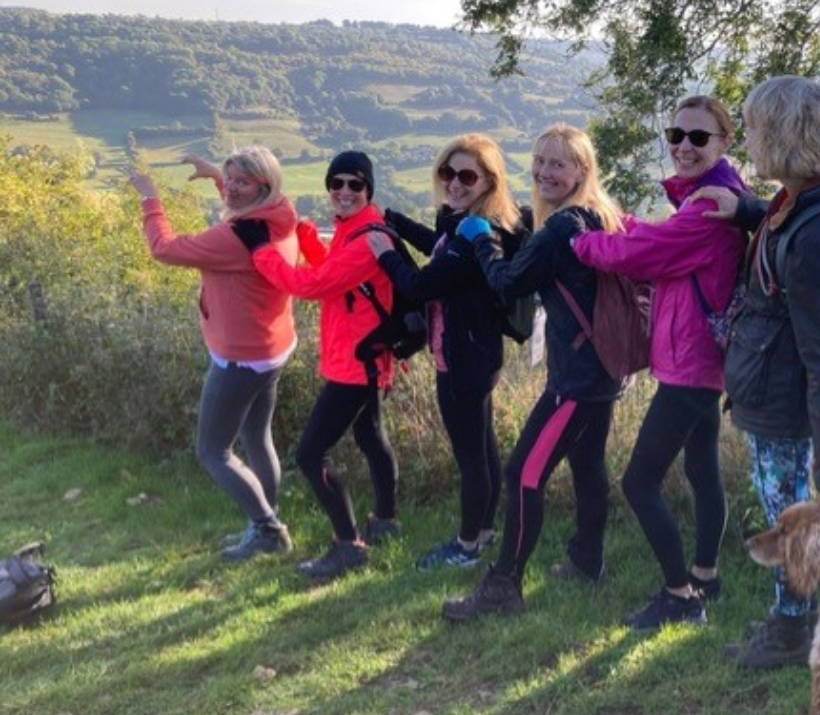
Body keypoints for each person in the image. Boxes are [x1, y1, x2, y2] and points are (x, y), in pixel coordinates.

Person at [693, 76, 820, 667]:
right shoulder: (814, 195)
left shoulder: (817, 232)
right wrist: (744, 210)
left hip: (787, 401)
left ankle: (794, 632)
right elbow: (787, 228)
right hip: (778, 386)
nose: (749, 140)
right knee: (787, 513)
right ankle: (806, 624)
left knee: (787, 516)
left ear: (783, 134)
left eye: (757, 127)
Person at [571, 96, 749, 629]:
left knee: (639, 482)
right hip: (699, 357)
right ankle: (707, 575)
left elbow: (642, 255)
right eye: (676, 135)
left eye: (698, 137)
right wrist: (620, 220)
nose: (683, 146)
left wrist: (580, 241)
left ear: (724, 142)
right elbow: (660, 244)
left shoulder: (710, 207)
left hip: (690, 363)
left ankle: (680, 595)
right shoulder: (708, 198)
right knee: (701, 468)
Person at [441, 123, 625, 622]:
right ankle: (588, 561)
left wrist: (482, 242)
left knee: (523, 474)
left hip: (577, 382)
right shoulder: (598, 216)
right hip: (601, 370)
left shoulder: (562, 228)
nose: (544, 172)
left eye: (557, 163)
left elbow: (507, 282)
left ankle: (504, 586)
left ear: (581, 171)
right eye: (540, 162)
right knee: (587, 467)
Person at [235, 150, 402, 581]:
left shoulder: (365, 239)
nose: (344, 192)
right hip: (363, 357)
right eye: (337, 183)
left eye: (355, 185)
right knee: (369, 435)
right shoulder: (353, 229)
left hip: (355, 363)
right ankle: (385, 522)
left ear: (369, 190)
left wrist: (261, 251)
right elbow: (330, 266)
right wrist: (303, 230)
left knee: (311, 454)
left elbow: (311, 283)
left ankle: (348, 545)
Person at [367, 134, 529, 571]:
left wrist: (383, 253)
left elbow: (421, 283)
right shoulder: (469, 226)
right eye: (447, 172)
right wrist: (392, 220)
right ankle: (487, 528)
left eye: (466, 176)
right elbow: (438, 246)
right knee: (484, 448)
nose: (454, 183)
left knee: (471, 458)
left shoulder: (478, 234)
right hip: (476, 353)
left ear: (489, 181)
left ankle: (467, 546)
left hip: (462, 360)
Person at [130, 147, 298, 561]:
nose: (232, 188)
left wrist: (150, 198)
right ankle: (267, 518)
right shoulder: (278, 215)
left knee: (212, 451)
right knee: (257, 438)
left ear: (264, 185)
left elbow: (164, 249)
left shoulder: (233, 238)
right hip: (271, 347)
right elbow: (246, 209)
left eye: (242, 181)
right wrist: (217, 178)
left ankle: (267, 529)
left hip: (240, 357)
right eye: (231, 179)